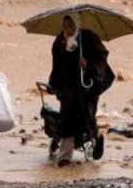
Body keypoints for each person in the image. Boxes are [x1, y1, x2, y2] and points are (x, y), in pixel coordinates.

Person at [49, 14, 115, 167]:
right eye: (65, 26)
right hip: (68, 85)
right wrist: (55, 85)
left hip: (88, 85)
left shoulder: (89, 38)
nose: (68, 29)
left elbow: (101, 57)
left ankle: (95, 138)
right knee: (66, 117)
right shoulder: (60, 41)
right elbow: (56, 63)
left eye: (70, 25)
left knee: (87, 115)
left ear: (76, 24)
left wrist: (88, 64)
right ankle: (65, 155)